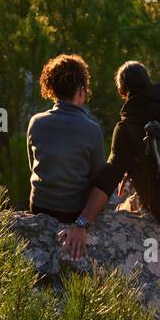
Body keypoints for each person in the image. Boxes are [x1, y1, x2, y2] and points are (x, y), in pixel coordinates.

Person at [58, 59, 160, 259]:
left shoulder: (127, 127)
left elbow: (109, 178)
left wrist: (82, 222)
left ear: (122, 92)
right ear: (148, 82)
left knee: (121, 207)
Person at [26, 53, 105, 224]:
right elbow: (97, 179)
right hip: (73, 212)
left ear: (52, 89)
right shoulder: (92, 130)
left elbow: (33, 167)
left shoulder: (36, 122)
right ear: (81, 90)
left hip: (39, 206)